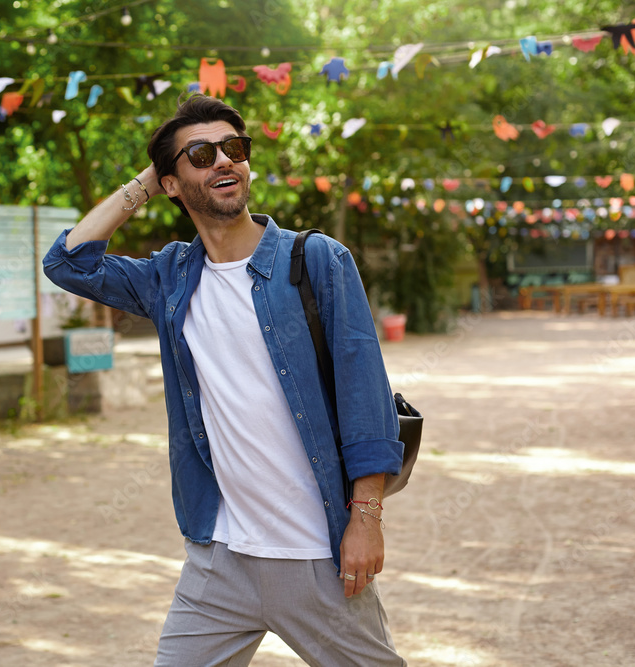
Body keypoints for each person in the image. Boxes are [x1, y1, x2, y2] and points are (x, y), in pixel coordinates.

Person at [43, 93, 406, 666]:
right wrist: (151, 174)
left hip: (315, 554)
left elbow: (367, 396)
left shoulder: (317, 260)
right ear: (169, 183)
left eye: (233, 149)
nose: (223, 161)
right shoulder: (171, 277)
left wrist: (366, 520)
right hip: (219, 562)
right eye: (202, 154)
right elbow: (68, 263)